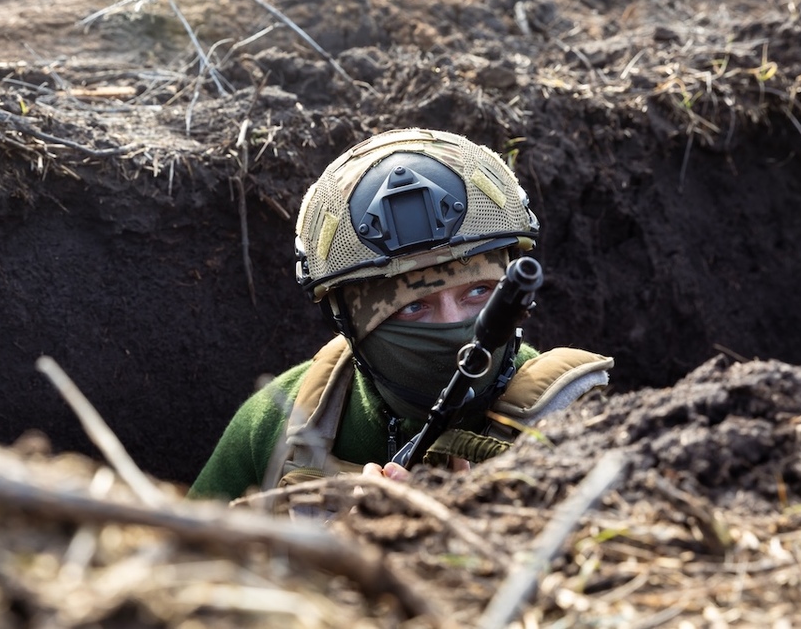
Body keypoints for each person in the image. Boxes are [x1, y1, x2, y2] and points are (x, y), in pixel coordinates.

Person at [187, 128, 613, 502]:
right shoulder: (278, 423)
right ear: (349, 321)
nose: (454, 327)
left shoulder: (568, 417)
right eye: (414, 307)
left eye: (478, 292)